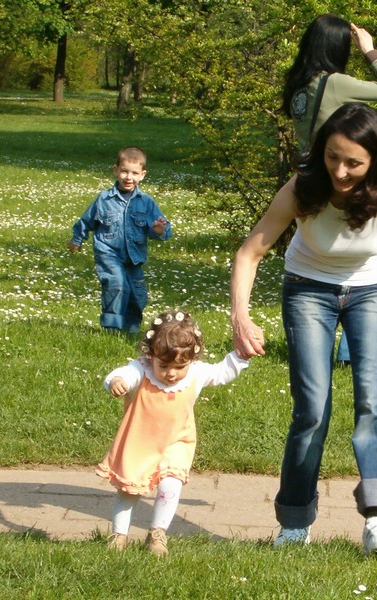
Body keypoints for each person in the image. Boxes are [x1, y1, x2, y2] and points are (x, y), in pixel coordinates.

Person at [230, 103, 377, 555]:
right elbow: (250, 252)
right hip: (308, 289)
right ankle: (294, 524)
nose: (340, 171)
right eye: (332, 157)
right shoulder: (303, 186)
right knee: (311, 410)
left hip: (374, 290)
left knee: (373, 401)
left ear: (376, 161)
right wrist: (240, 316)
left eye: (354, 163)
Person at [282, 14, 377, 363]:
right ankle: (353, 347)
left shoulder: (297, 84)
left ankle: (321, 335)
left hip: (312, 179)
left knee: (317, 253)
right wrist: (370, 49)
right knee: (359, 258)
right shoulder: (335, 83)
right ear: (338, 47)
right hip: (342, 180)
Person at [96, 309, 250, 556]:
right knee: (128, 491)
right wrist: (116, 382)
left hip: (177, 441)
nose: (171, 373)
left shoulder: (196, 373)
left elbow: (221, 373)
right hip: (139, 443)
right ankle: (119, 535)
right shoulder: (142, 370)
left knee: (170, 486)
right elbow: (125, 374)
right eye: (164, 365)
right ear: (151, 355)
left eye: (179, 367)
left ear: (192, 359)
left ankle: (157, 534)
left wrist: (241, 356)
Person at [68, 146, 171, 334]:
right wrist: (77, 239)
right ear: (116, 170)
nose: (128, 177)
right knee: (116, 285)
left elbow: (163, 229)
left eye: (134, 173)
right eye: (124, 171)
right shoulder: (104, 199)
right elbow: (86, 221)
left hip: (134, 257)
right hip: (108, 253)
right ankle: (112, 329)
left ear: (142, 175)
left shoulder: (146, 202)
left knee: (137, 295)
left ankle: (130, 330)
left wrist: (159, 230)